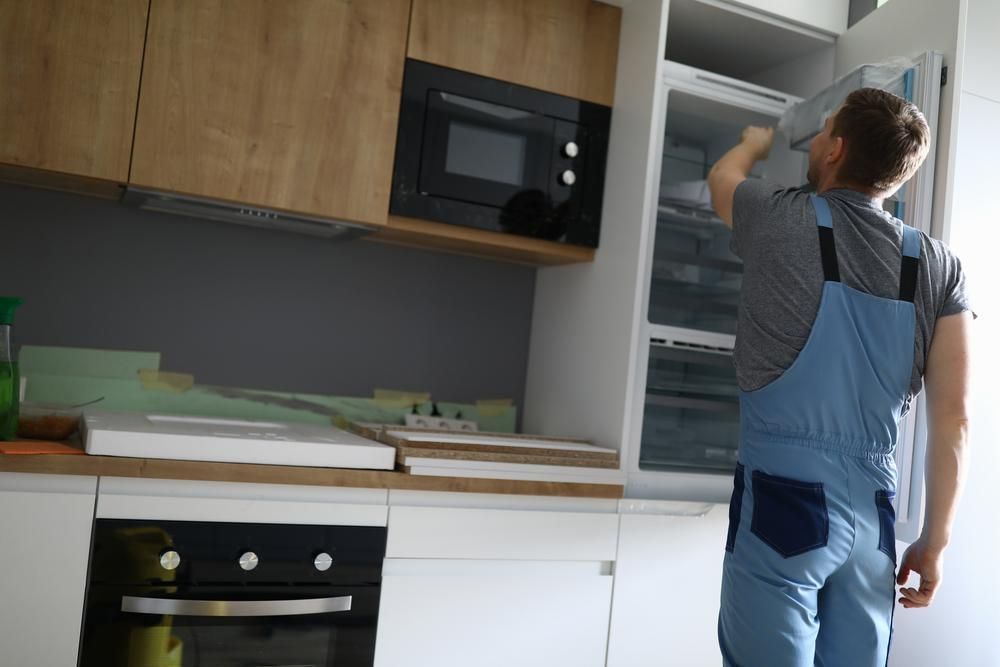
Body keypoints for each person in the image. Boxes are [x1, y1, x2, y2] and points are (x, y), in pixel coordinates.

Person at [707, 87, 973, 666]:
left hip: (784, 504)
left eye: (824, 129)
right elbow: (953, 421)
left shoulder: (775, 215)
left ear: (836, 150)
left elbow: (720, 181)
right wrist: (934, 542)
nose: (819, 137)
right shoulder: (939, 266)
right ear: (897, 177)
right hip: (873, 524)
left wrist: (751, 146)